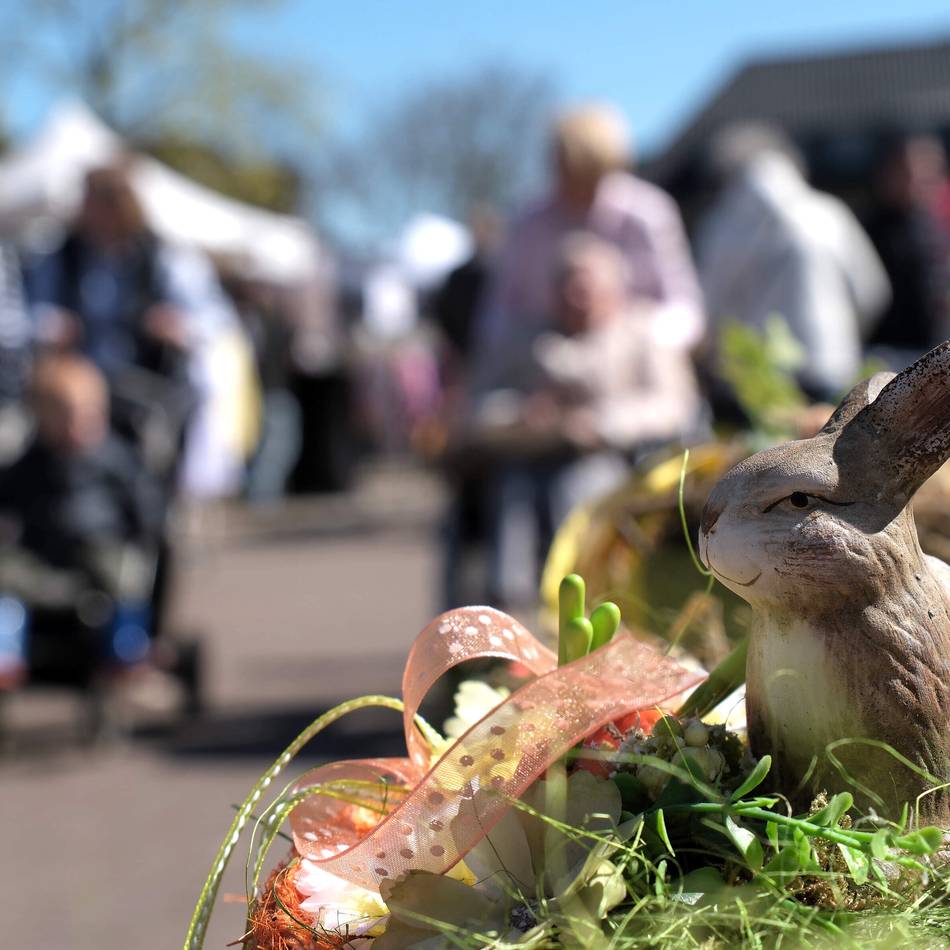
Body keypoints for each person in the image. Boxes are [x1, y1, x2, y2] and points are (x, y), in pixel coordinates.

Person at [469, 232, 702, 606]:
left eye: (587, 289)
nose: (577, 299)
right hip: (530, 456)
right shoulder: (528, 341)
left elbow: (676, 405)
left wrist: (601, 422)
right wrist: (523, 416)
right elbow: (477, 410)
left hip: (614, 458)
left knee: (579, 488)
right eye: (567, 289)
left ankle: (579, 597)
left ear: (614, 289)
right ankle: (510, 610)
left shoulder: (643, 336)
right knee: (511, 495)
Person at [474, 103, 703, 371]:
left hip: (634, 367)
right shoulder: (528, 222)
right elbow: (497, 316)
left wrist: (635, 342)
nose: (578, 190)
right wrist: (533, 351)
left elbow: (685, 311)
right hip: (546, 366)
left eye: (590, 177)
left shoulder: (648, 214)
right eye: (570, 174)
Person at [0, 353, 165, 686]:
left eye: (87, 415)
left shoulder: (111, 458)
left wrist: (146, 530)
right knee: (6, 580)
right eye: (67, 418)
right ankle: (6, 651)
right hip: (43, 551)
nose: (79, 426)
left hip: (101, 543)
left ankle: (127, 649)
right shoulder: (32, 462)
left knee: (126, 576)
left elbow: (142, 496)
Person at [696, 124, 891, 401]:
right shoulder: (828, 212)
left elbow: (711, 309)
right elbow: (871, 290)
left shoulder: (723, 227)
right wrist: (847, 338)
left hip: (758, 384)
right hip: (834, 366)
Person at [865, 135, 950, 361]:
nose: (917, 182)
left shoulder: (929, 223)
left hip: (929, 346)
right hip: (886, 348)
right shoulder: (873, 228)